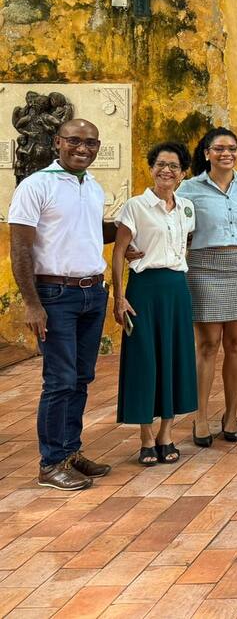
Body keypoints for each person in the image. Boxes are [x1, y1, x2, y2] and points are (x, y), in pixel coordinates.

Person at [8, 119, 115, 490]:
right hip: (54, 296)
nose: (82, 148)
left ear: (97, 146)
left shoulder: (95, 187)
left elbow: (92, 231)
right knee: (59, 381)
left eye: (90, 142)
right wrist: (32, 304)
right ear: (58, 142)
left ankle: (70, 452)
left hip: (92, 293)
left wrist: (132, 233)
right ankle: (51, 463)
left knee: (82, 379)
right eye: (74, 141)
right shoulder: (36, 185)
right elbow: (20, 246)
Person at [112, 143, 199, 466]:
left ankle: (167, 434)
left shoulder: (187, 207)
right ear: (150, 168)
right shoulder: (135, 206)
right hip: (144, 290)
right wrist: (119, 297)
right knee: (145, 360)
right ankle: (146, 436)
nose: (167, 170)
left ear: (183, 173)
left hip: (176, 288)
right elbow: (120, 251)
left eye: (174, 166)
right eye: (160, 164)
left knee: (173, 359)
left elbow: (183, 244)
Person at [178, 127, 237, 447]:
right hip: (204, 267)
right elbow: (172, 221)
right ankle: (200, 417)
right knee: (208, 344)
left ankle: (231, 415)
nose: (226, 153)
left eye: (232, 148)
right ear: (207, 153)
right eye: (219, 148)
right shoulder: (189, 188)